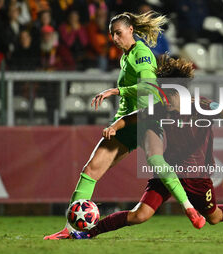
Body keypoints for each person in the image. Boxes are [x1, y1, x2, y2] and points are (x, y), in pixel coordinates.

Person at [44, 11, 204, 240]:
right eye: (112, 35)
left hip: (148, 118)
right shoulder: (125, 56)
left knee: (155, 160)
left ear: (131, 30)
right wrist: (117, 122)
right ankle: (70, 230)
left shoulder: (141, 54)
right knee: (90, 171)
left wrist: (116, 90)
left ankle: (189, 209)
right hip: (127, 122)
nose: (115, 39)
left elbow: (149, 88)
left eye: (118, 33)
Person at [70, 56, 223, 240]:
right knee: (139, 215)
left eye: (167, 94)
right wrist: (113, 127)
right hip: (169, 171)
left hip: (197, 176)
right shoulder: (162, 108)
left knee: (213, 217)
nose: (163, 99)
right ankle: (89, 233)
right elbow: (131, 118)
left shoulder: (201, 105)